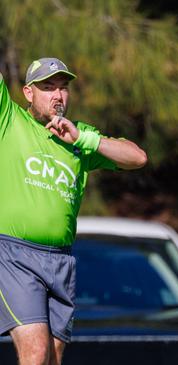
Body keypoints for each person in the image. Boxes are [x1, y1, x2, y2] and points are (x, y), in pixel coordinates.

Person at [0, 57, 147, 365]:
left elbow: (136, 158)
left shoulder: (80, 136)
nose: (57, 95)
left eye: (63, 88)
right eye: (48, 88)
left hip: (60, 260)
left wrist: (84, 139)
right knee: (36, 353)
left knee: (52, 357)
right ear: (28, 93)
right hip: (13, 254)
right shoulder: (9, 119)